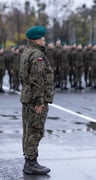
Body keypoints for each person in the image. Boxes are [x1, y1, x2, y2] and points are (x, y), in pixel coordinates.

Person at [20, 25, 55, 175]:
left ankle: (29, 160)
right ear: (36, 39)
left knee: (28, 131)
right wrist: (40, 101)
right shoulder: (37, 56)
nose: (44, 39)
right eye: (42, 37)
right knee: (35, 131)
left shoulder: (27, 52)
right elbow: (37, 80)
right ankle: (31, 163)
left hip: (28, 97)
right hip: (35, 100)